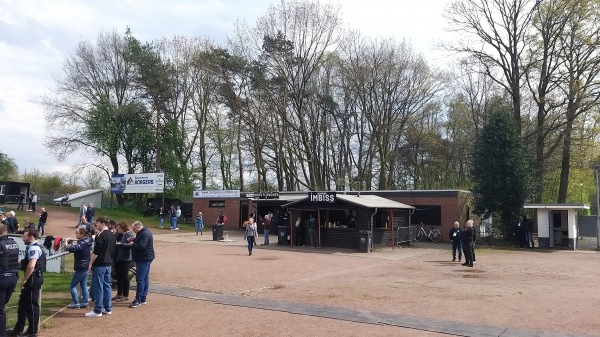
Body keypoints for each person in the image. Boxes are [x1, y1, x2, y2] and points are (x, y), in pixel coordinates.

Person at [8, 229, 45, 337]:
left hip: (33, 278)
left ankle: (32, 331)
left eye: (24, 236)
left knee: (31, 305)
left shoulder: (34, 248)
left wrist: (24, 279)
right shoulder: (34, 247)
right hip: (33, 277)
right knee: (23, 304)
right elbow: (26, 262)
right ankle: (18, 329)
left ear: (31, 237)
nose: (23, 238)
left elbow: (31, 265)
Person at [85, 217, 115, 317]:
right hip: (108, 264)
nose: (96, 225)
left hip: (100, 264)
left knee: (99, 287)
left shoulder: (100, 235)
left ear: (103, 223)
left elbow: (96, 252)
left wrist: (90, 263)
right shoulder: (111, 234)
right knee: (107, 286)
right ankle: (108, 308)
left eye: (97, 223)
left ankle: (97, 310)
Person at [125, 221, 154, 308]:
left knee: (140, 279)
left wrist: (133, 244)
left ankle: (138, 299)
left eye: (134, 229)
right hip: (145, 257)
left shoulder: (144, 234)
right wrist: (134, 239)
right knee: (144, 278)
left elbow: (142, 246)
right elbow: (140, 242)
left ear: (138, 227)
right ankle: (143, 298)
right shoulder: (143, 232)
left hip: (143, 258)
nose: (133, 231)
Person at [63, 227, 92, 309]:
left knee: (72, 285)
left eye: (77, 233)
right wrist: (71, 243)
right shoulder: (86, 241)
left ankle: (76, 303)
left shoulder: (82, 243)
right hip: (85, 265)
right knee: (83, 285)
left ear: (82, 234)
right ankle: (85, 302)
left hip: (81, 266)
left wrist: (66, 242)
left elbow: (70, 248)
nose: (75, 234)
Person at [0, 223, 19, 336]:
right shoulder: (13, 243)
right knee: (2, 306)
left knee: (0, 309)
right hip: (13, 278)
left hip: (2, 278)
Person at [114, 221, 133, 302]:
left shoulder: (128, 234)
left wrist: (120, 244)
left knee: (125, 277)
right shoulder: (120, 234)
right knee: (119, 276)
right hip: (119, 258)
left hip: (126, 259)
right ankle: (119, 293)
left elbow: (130, 245)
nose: (117, 230)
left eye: (118, 228)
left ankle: (125, 295)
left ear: (122, 228)